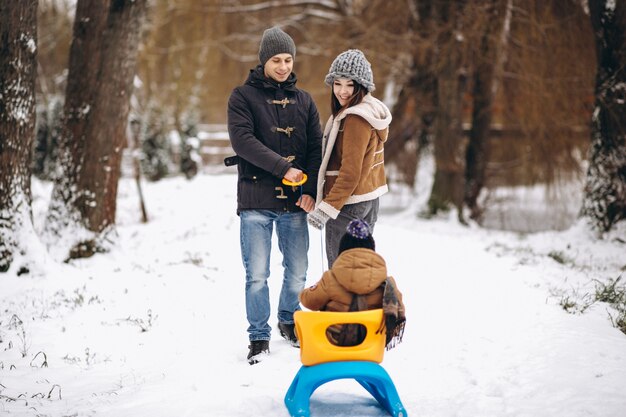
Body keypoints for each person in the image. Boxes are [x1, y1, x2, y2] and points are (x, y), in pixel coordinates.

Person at [227, 26, 323, 365]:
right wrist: (283, 168)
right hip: (255, 201)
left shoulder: (305, 100)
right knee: (257, 275)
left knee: (297, 271)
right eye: (276, 60)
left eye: (288, 59)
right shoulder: (242, 97)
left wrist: (310, 191)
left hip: (295, 204)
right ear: (264, 61)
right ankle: (258, 336)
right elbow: (243, 142)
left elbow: (315, 149)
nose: (283, 66)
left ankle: (287, 318)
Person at [307, 49, 392, 268]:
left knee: (341, 271)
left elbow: (350, 172)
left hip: (348, 204)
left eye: (350, 84)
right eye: (337, 83)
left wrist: (326, 209)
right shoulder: (371, 111)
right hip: (368, 199)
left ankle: (342, 304)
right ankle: (362, 304)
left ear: (362, 86)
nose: (342, 91)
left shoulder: (355, 118)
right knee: (358, 269)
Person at [299, 218, 405, 348]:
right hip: (371, 347)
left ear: (343, 249)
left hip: (333, 345)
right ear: (371, 250)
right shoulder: (388, 284)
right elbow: (399, 313)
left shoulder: (330, 279)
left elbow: (308, 301)